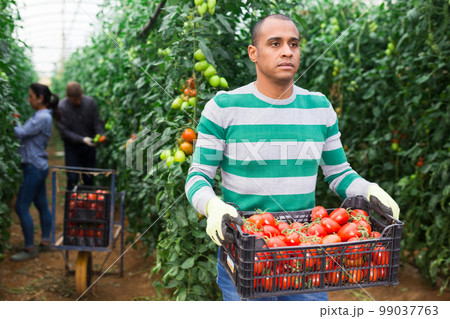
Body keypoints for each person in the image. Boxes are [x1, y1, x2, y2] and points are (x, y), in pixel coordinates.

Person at [185, 14, 400, 301]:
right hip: (247, 251)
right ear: (254, 53)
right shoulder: (224, 107)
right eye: (275, 43)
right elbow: (197, 176)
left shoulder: (319, 107)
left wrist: (368, 189)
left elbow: (338, 173)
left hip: (305, 254)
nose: (287, 51)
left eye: (294, 44)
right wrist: (213, 205)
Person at [11, 83, 59, 262]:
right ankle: (46, 242)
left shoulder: (42, 117)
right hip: (37, 165)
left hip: (34, 166)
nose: (29, 99)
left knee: (21, 206)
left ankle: (30, 248)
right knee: (41, 205)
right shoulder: (42, 115)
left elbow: (21, 133)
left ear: (40, 98)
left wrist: (12, 121)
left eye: (31, 96)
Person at [57, 82, 104, 190]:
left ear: (81, 93)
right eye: (74, 100)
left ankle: (87, 204)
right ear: (68, 97)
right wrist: (82, 139)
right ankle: (71, 204)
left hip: (89, 148)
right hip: (72, 147)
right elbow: (64, 131)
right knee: (72, 178)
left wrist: (100, 134)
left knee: (88, 178)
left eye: (79, 98)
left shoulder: (90, 103)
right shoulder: (62, 107)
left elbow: (96, 121)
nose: (77, 102)